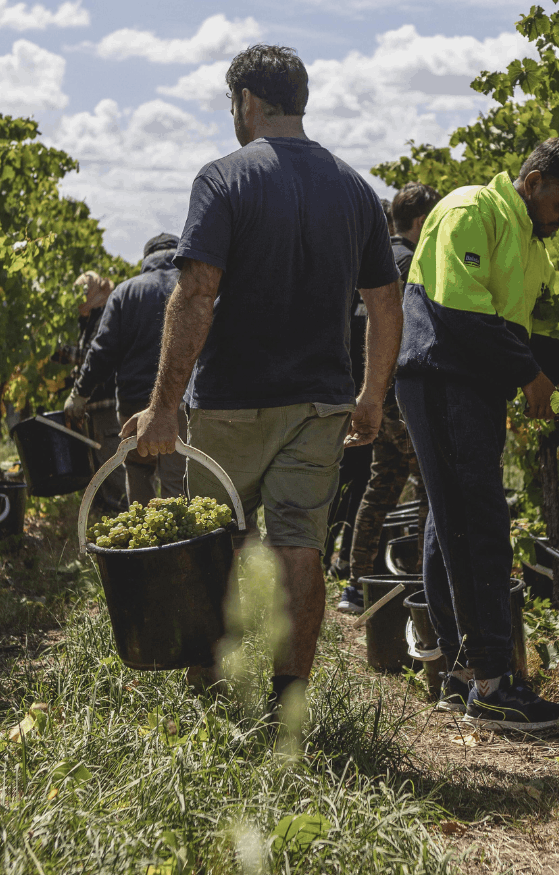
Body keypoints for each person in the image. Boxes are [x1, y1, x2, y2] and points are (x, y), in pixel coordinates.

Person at [127, 44, 402, 716]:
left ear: (248, 102)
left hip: (230, 405)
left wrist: (163, 409)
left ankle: (210, 700)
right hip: (321, 404)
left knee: (212, 548)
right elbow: (386, 303)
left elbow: (194, 295)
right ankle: (290, 706)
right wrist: (370, 396)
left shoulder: (224, 179)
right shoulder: (355, 189)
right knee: (299, 551)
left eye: (232, 105)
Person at [396, 137, 559, 731]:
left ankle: (462, 672)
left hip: (473, 386)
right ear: (534, 180)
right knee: (478, 521)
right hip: (443, 375)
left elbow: (543, 335)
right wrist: (531, 377)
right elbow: (461, 315)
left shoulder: (534, 248)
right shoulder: (472, 211)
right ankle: (493, 683)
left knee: (452, 519)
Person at [336, 183, 441, 613]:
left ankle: (356, 586)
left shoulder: (372, 262)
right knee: (428, 488)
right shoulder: (414, 266)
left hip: (372, 393)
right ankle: (422, 589)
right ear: (421, 223)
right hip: (401, 396)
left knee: (382, 484)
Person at [65, 234, 187, 510]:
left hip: (133, 403)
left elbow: (102, 351)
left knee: (138, 471)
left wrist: (79, 393)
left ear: (146, 260)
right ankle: (178, 547)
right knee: (175, 480)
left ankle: (144, 546)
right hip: (179, 401)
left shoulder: (125, 292)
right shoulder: (192, 286)